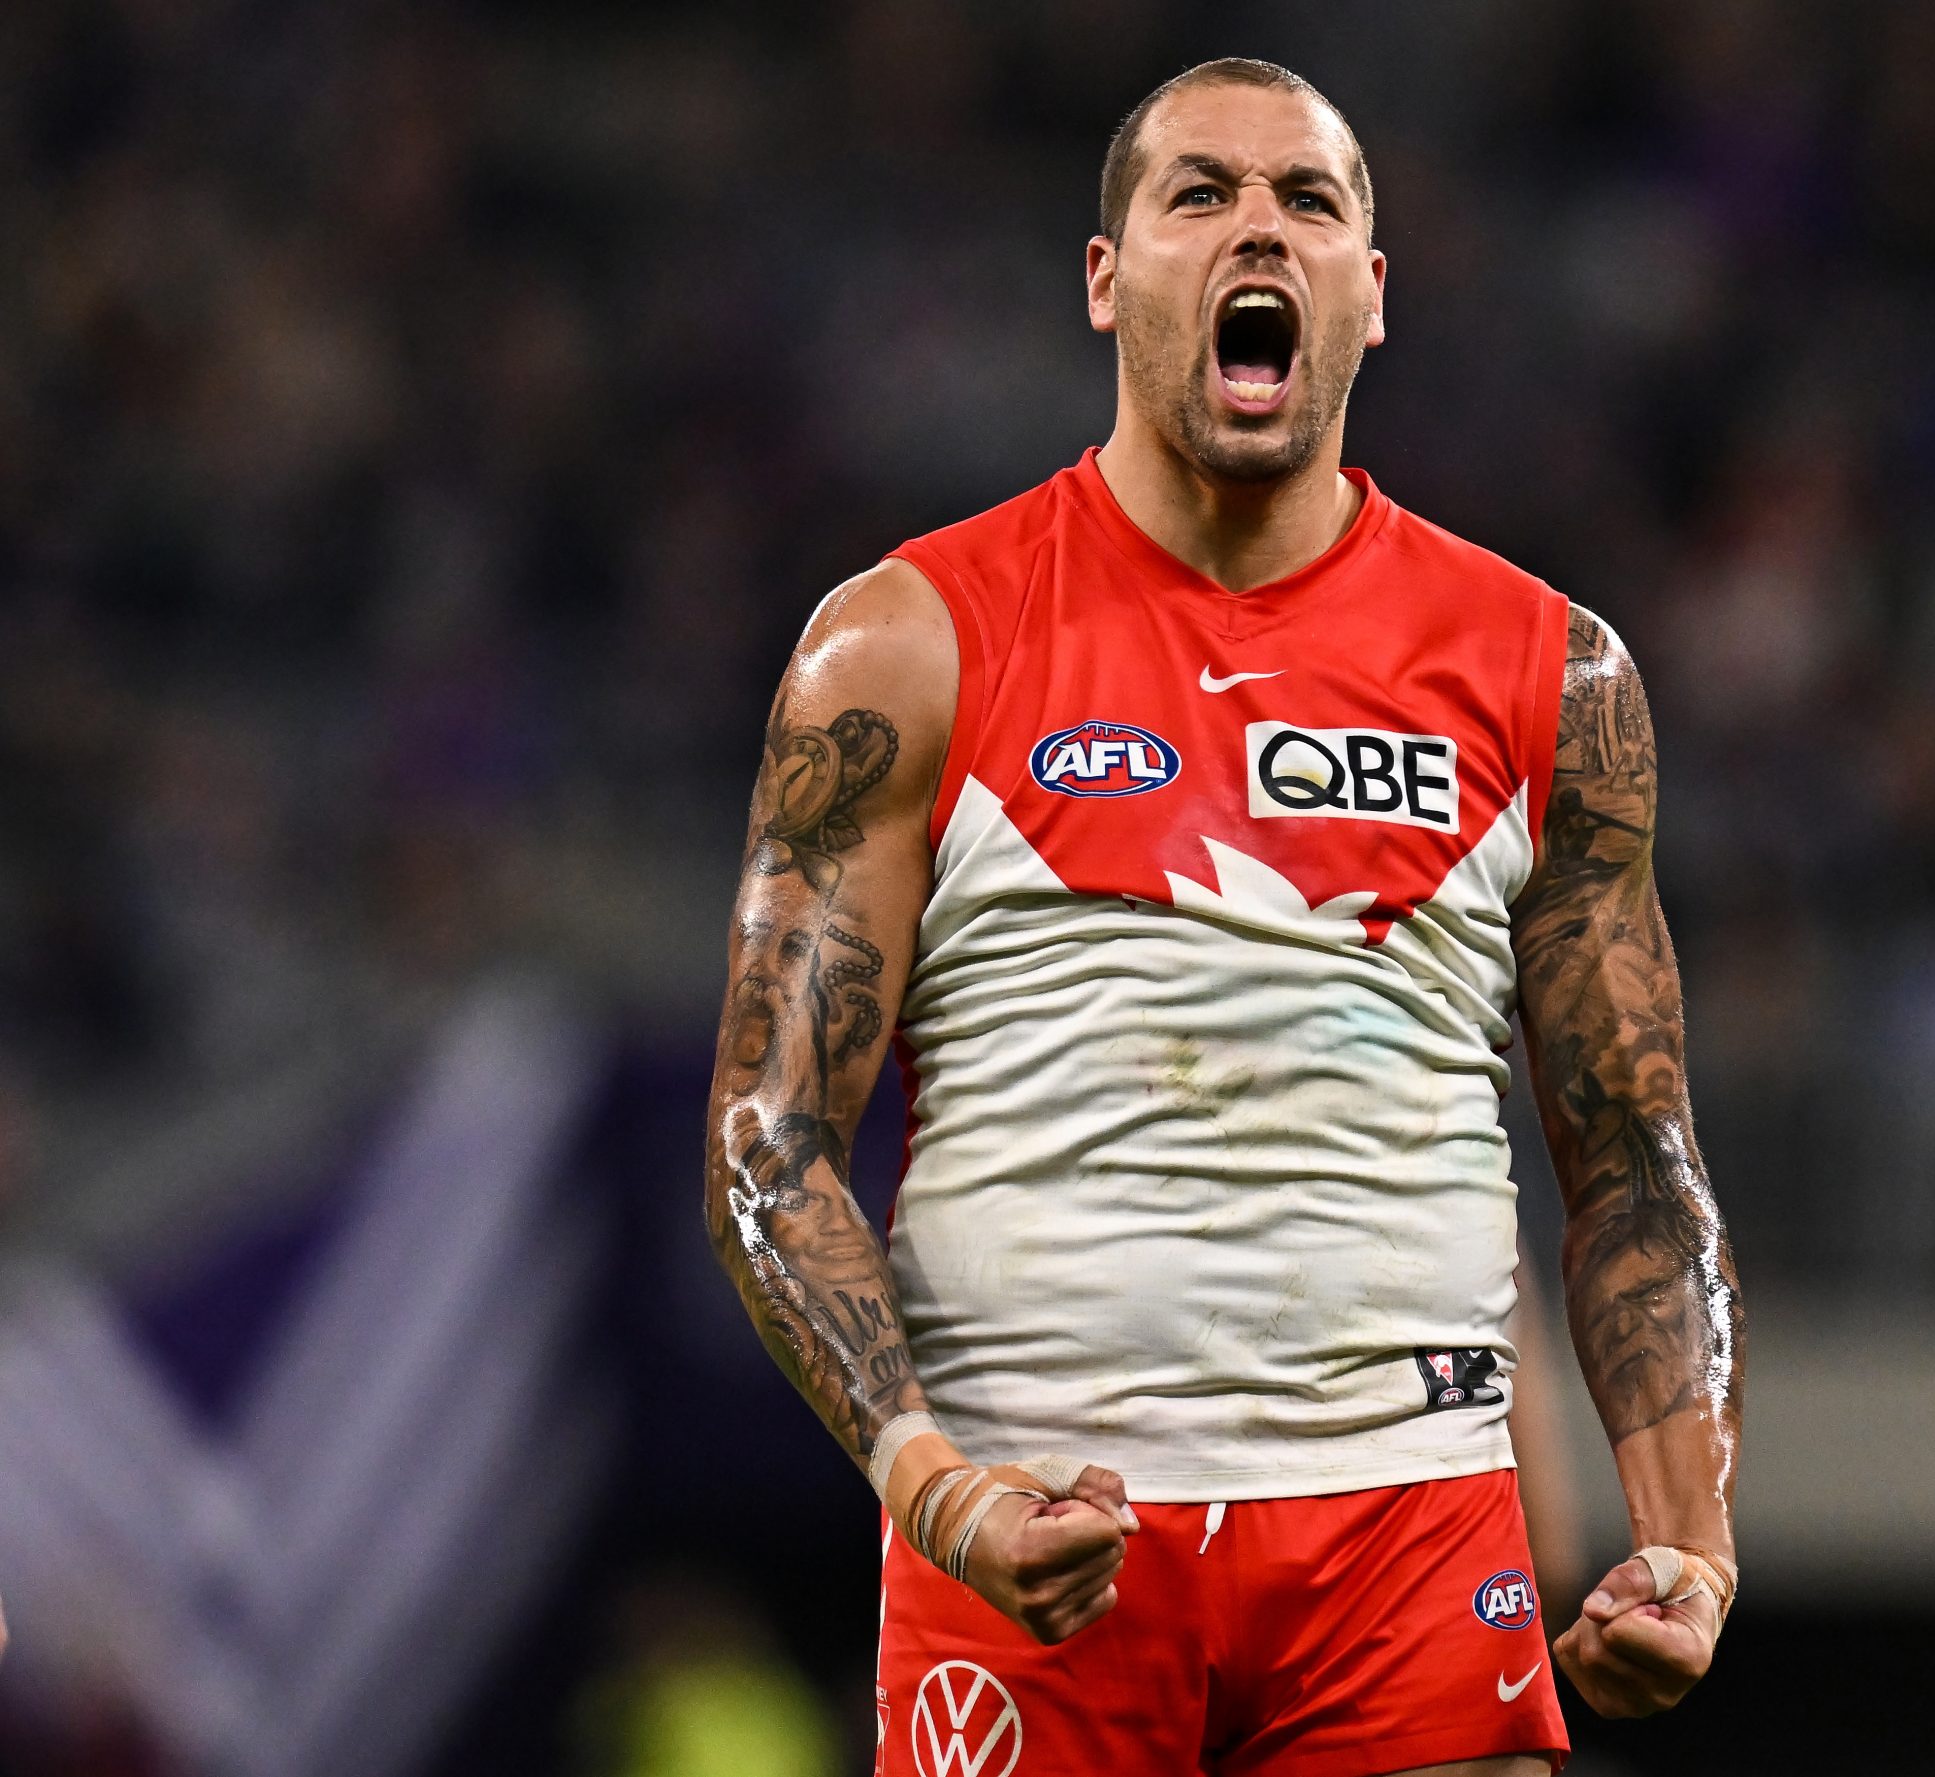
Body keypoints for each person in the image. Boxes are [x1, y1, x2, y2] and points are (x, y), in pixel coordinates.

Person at [704, 58, 1744, 1777]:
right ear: (1109, 278)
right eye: (1199, 193)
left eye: (1310, 201)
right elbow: (767, 1130)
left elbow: (1636, 1148)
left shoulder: (1553, 675)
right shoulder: (905, 646)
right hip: (1033, 1522)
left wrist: (1688, 1540)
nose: (1257, 223)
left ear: (1372, 297)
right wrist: (930, 1485)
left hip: (1406, 1526)